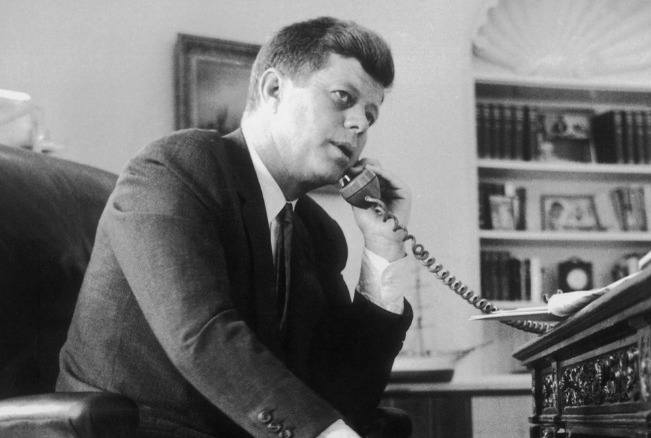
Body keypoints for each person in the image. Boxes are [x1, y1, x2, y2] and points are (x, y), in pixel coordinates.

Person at [57, 17, 415, 438]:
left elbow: (343, 396)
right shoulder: (176, 168)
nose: (359, 125)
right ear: (273, 90)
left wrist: (382, 246)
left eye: (370, 116)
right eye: (342, 97)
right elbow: (203, 337)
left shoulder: (314, 232)